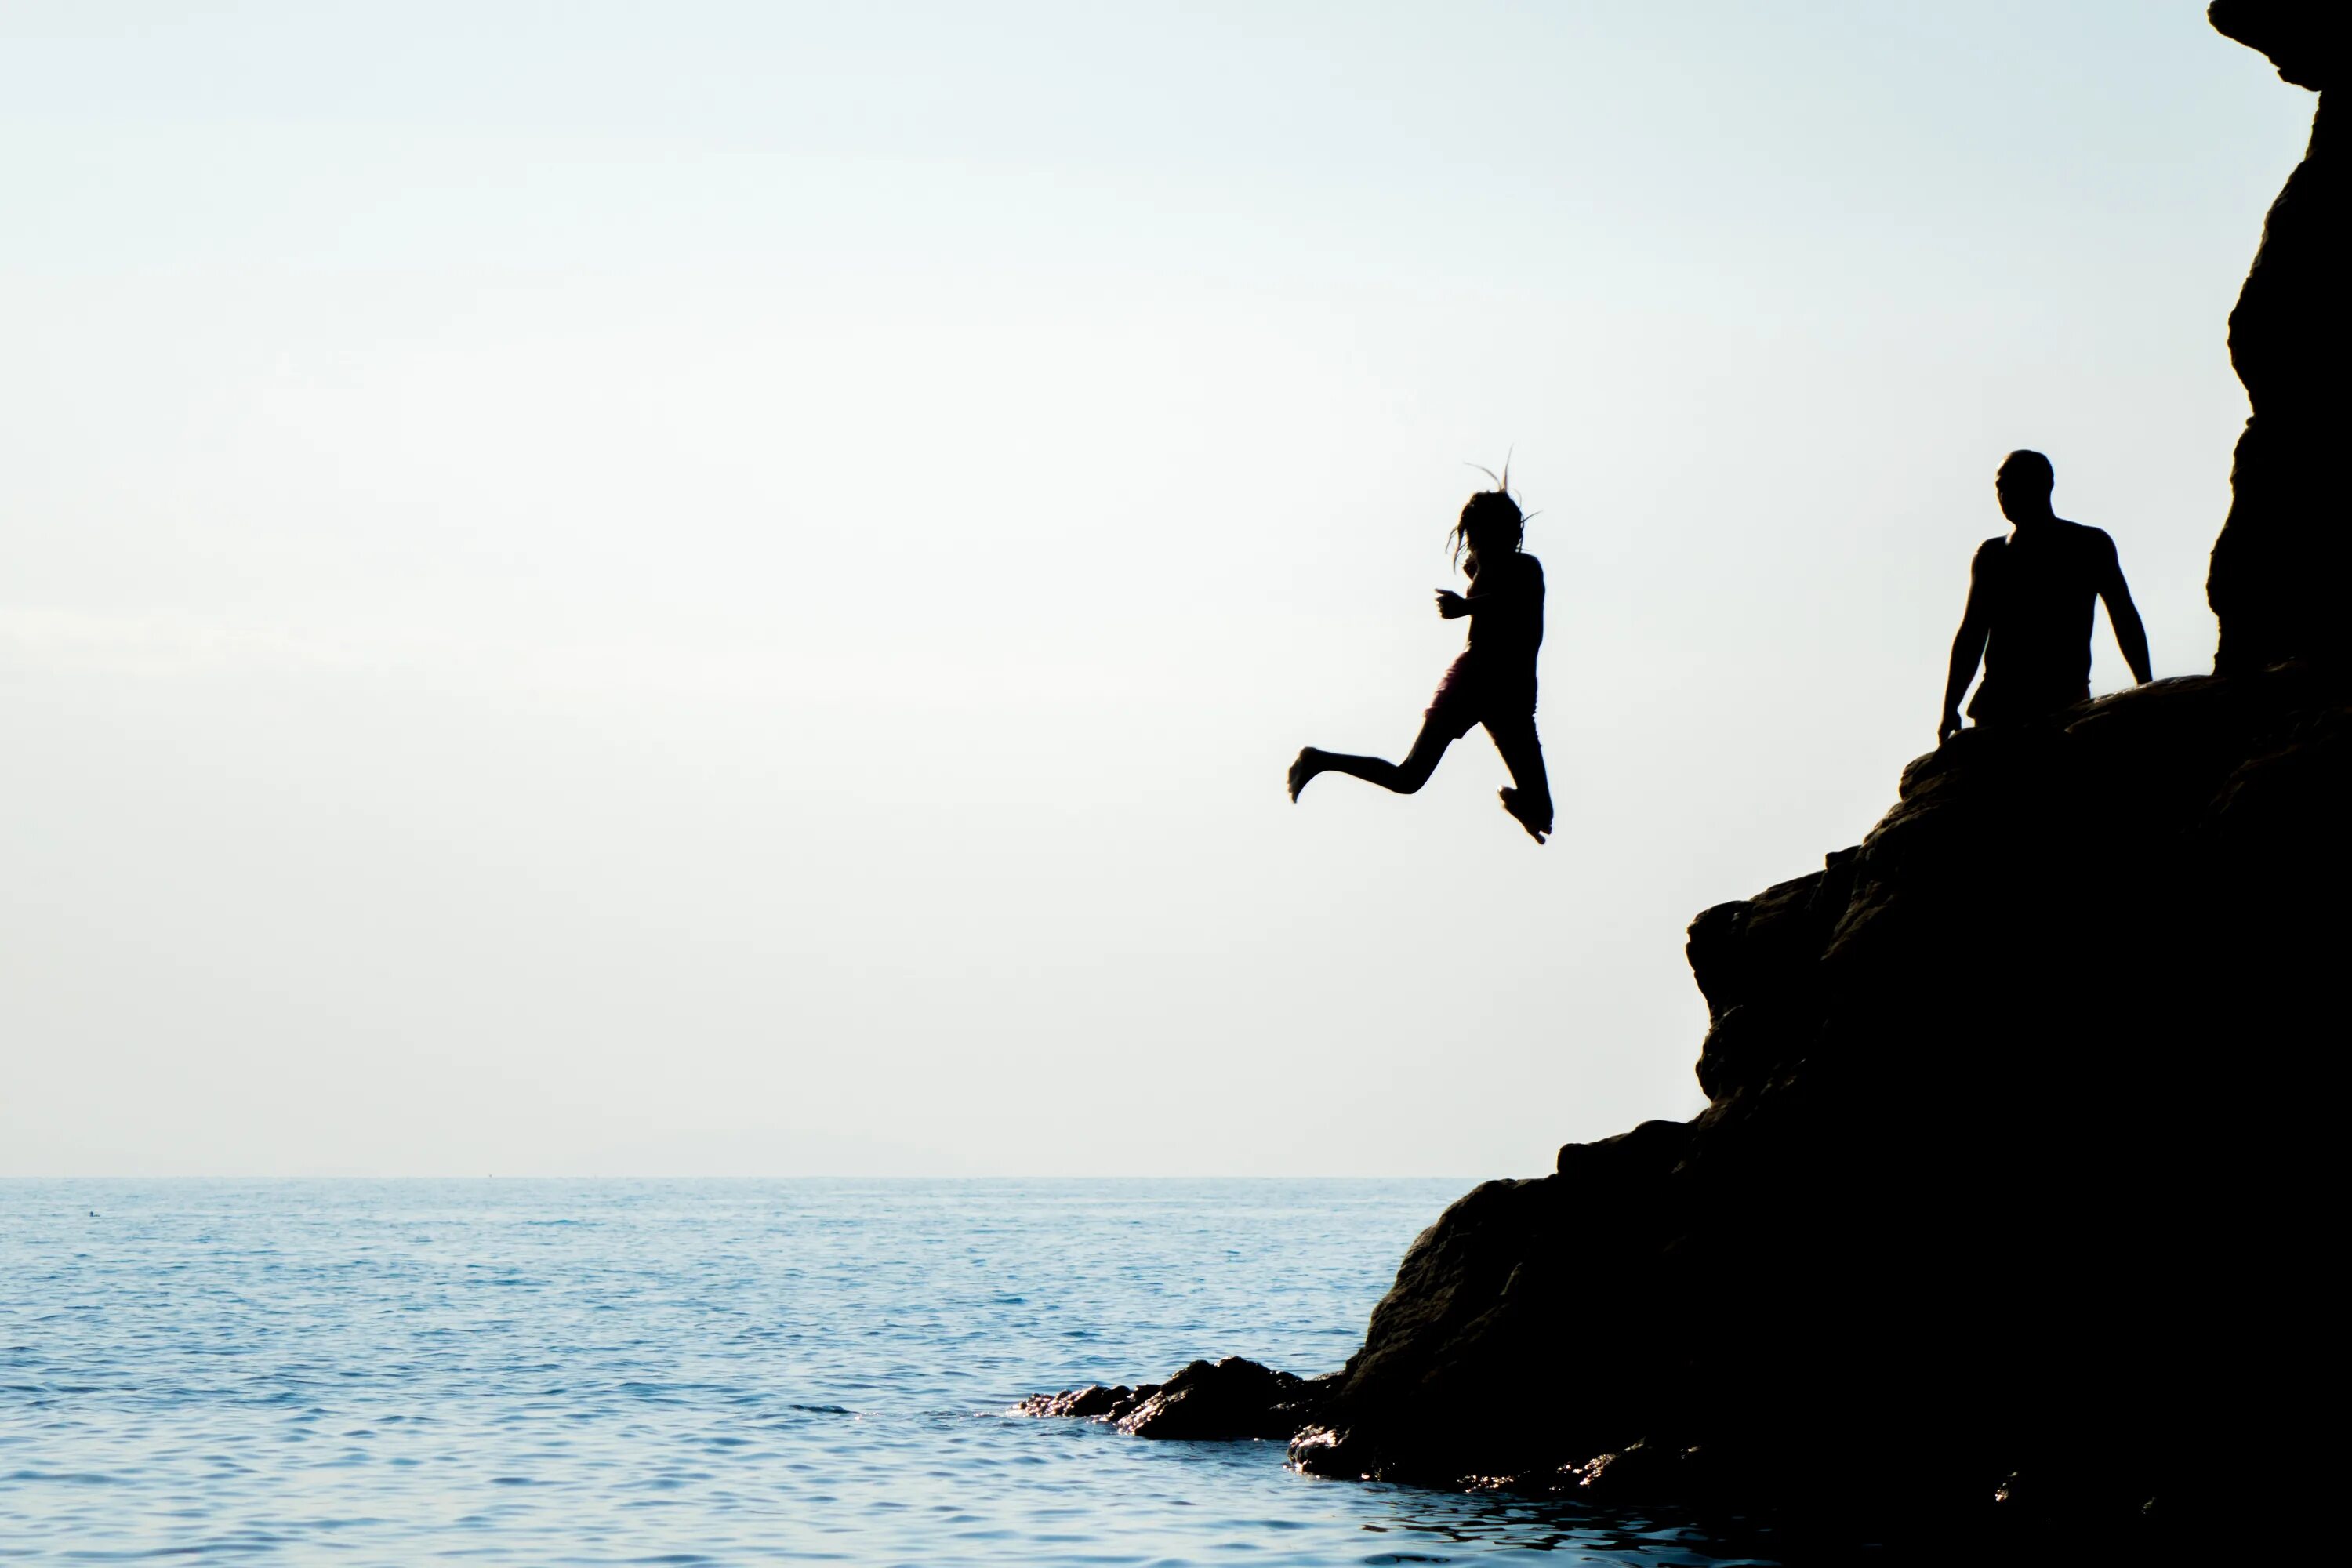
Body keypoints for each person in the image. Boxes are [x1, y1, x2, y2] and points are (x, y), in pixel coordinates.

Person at [1288, 483, 1553, 843]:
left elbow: (1513, 602)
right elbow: (1498, 601)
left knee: (1543, 811)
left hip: (1513, 696)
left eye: (1481, 539)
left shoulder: (1525, 568)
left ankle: (1523, 804)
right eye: (1475, 541)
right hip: (1475, 683)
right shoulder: (1489, 573)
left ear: (1505, 533)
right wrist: (1470, 598)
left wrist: (1467, 604)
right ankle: (1318, 760)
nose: (1477, 549)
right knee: (1408, 778)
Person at [1939, 449, 2153, 743]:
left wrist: (2146, 684)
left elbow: (2123, 616)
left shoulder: (2089, 545)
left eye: (2014, 483)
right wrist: (1951, 707)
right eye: (2000, 486)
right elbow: (1972, 635)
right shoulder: (1991, 556)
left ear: (2045, 484)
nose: (2004, 493)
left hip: (2064, 701)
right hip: (1998, 706)